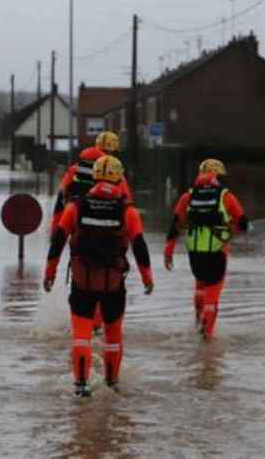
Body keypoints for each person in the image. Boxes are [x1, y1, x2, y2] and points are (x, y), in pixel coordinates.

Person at [44, 155, 154, 397]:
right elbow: (140, 246)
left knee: (81, 337)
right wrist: (147, 278)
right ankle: (112, 384)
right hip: (114, 285)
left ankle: (80, 386)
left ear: (94, 177)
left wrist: (49, 273)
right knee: (113, 336)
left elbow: (58, 241)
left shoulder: (76, 206)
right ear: (119, 178)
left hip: (82, 282)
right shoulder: (128, 211)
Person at [163, 158, 249, 339]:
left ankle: (197, 320)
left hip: (195, 252)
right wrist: (234, 227)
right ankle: (207, 334)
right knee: (214, 291)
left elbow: (175, 225)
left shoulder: (188, 196)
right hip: (217, 251)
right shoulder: (226, 196)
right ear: (217, 176)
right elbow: (242, 222)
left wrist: (168, 251)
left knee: (200, 285)